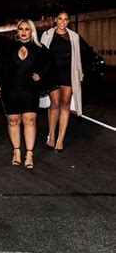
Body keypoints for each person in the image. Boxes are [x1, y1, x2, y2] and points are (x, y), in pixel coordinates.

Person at [0, 19, 51, 170]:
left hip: (30, 89)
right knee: (13, 121)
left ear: (32, 31)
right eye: (21, 29)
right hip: (10, 88)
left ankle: (29, 154)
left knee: (30, 120)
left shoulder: (38, 48)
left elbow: (50, 62)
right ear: (17, 31)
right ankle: (17, 151)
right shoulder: (9, 46)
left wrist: (41, 75)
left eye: (27, 29)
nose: (24, 32)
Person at [40, 10, 84, 152]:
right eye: (60, 19)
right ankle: (51, 136)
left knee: (65, 104)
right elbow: (41, 56)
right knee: (55, 103)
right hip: (53, 74)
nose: (63, 22)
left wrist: (79, 72)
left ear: (68, 21)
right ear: (55, 20)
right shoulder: (47, 35)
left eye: (66, 19)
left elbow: (77, 57)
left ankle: (61, 139)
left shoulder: (74, 37)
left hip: (68, 74)